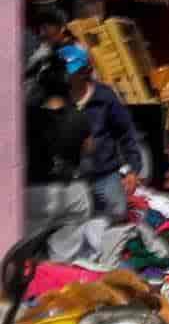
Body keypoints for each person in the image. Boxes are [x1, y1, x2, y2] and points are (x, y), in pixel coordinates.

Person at [25, 50, 94, 263]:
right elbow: (89, 148)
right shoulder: (80, 117)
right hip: (75, 194)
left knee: (17, 258)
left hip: (36, 195)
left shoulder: (27, 116)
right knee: (62, 262)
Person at [60, 44, 141, 221]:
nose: (65, 76)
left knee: (115, 222)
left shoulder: (104, 97)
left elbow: (126, 133)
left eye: (70, 71)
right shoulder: (57, 100)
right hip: (70, 183)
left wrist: (132, 171)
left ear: (84, 71)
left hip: (105, 177)